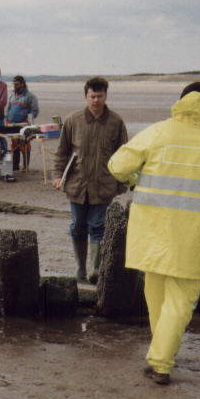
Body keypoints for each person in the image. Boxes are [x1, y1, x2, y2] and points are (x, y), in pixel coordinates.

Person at [108, 82, 200, 385]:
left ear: (180, 102)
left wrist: (134, 178)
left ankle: (160, 352)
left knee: (155, 296)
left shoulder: (159, 132)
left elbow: (117, 165)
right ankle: (161, 362)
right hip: (196, 237)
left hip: (153, 233)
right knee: (180, 302)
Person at [52, 76, 128, 283]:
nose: (96, 100)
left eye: (100, 96)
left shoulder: (116, 122)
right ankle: (80, 270)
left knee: (97, 226)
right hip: (77, 186)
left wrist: (123, 183)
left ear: (105, 96)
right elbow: (61, 153)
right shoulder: (72, 121)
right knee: (77, 226)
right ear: (86, 97)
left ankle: (94, 271)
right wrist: (58, 176)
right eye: (92, 96)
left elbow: (124, 155)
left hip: (103, 186)